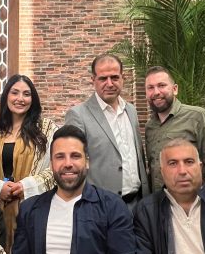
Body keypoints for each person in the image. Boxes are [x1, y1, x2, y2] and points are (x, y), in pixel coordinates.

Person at [10, 124, 138, 254]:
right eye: (60, 157)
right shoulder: (30, 209)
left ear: (87, 162)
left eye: (75, 156)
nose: (68, 163)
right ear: (51, 164)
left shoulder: (112, 207)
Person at [64, 54, 149, 208]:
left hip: (138, 205)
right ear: (93, 80)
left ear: (123, 78)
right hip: (101, 207)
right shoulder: (78, 115)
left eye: (114, 77)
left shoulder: (131, 110)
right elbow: (73, 165)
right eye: (103, 78)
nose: (109, 84)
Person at [0, 74, 57, 252]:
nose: (20, 98)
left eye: (26, 94)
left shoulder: (46, 129)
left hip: (33, 207)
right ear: (6, 96)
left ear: (33, 99)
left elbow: (56, 168)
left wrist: (25, 186)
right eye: (15, 93)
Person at [143, 66, 205, 190]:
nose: (156, 92)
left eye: (161, 85)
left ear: (175, 89)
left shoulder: (197, 117)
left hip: (194, 199)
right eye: (150, 87)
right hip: (161, 200)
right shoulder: (150, 127)